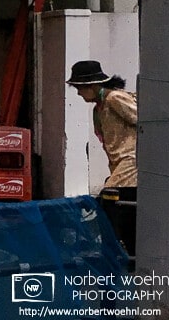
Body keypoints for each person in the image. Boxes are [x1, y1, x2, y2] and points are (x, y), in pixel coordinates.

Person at [67, 59, 137, 255]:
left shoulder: (114, 98)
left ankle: (113, 250)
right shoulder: (99, 108)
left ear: (92, 86)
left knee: (108, 202)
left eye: (80, 88)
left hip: (130, 162)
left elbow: (143, 120)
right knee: (122, 211)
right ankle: (123, 249)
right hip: (118, 164)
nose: (79, 94)